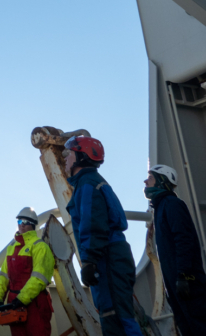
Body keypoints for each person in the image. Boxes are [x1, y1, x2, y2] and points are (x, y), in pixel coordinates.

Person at [63, 135, 143, 336]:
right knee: (116, 315)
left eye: (69, 154)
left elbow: (93, 223)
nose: (65, 159)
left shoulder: (88, 185)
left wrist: (89, 261)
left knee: (116, 317)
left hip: (106, 257)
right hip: (110, 255)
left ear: (80, 157)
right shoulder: (92, 182)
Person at [145, 164, 206, 336]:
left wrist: (184, 275)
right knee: (187, 327)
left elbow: (183, 239)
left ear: (161, 181)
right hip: (176, 281)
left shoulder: (172, 204)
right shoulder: (161, 207)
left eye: (150, 177)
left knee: (200, 327)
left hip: (186, 280)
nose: (145, 181)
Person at [0, 207, 55, 336]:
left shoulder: (40, 246)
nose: (22, 225)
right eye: (20, 221)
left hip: (35, 304)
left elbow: (39, 278)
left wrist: (22, 299)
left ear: (33, 225)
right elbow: (3, 278)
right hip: (14, 304)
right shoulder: (11, 248)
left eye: (26, 222)